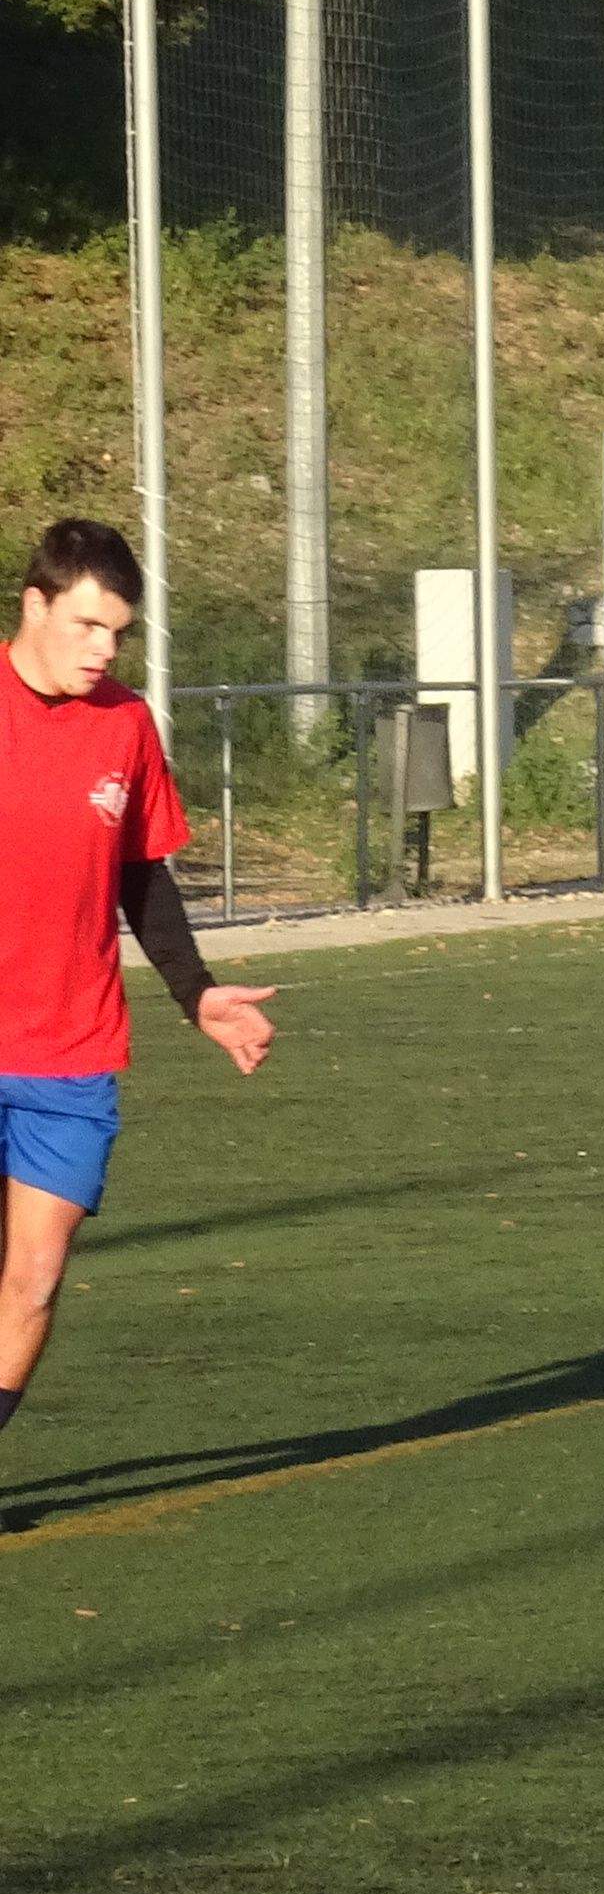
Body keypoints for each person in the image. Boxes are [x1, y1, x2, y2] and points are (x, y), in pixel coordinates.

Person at [1, 522, 275, 1445]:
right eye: (86, 625)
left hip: (69, 1051)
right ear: (34, 605)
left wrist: (197, 992)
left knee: (35, 1278)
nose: (103, 649)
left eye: (117, 632)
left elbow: (141, 876)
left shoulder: (124, 726)